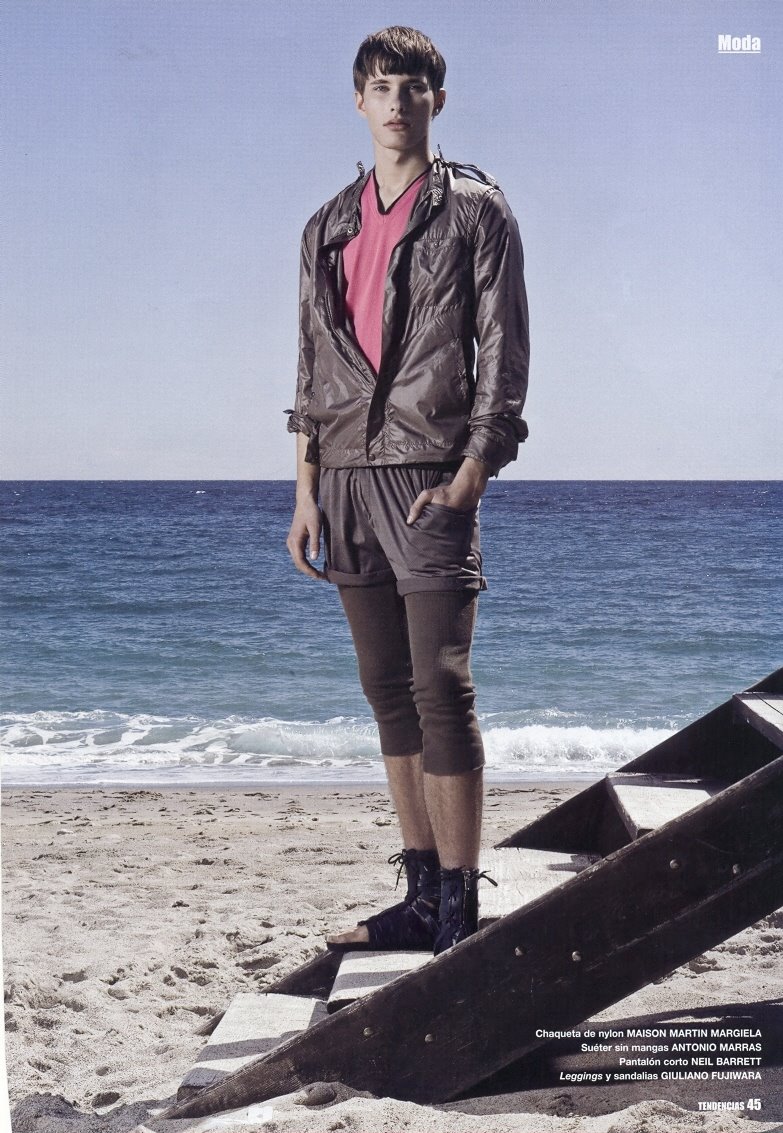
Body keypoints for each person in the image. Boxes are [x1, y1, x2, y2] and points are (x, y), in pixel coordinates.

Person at [285, 26, 529, 955]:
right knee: (386, 688)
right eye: (381, 87)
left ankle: (459, 909)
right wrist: (305, 491)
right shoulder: (326, 224)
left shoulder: (475, 209)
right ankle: (421, 893)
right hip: (343, 478)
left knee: (441, 684)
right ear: (358, 101)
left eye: (413, 86)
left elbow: (503, 345)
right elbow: (311, 365)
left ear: (437, 100)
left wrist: (473, 469)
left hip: (430, 474)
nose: (396, 101)